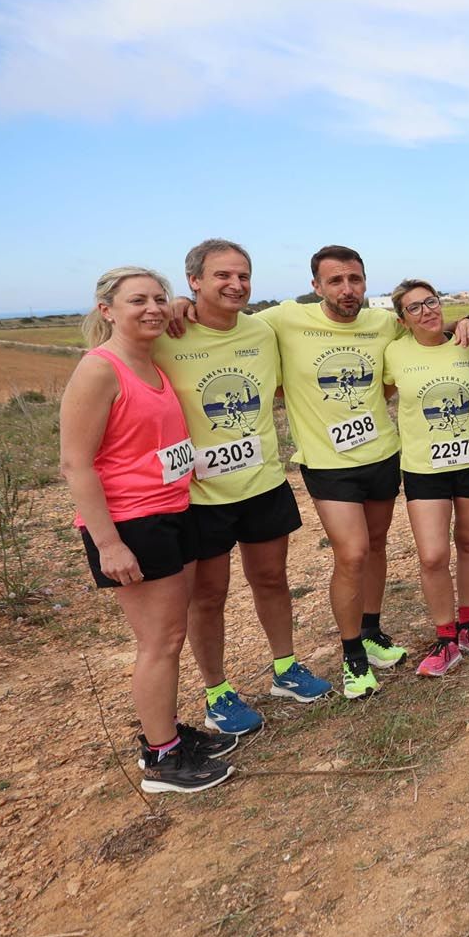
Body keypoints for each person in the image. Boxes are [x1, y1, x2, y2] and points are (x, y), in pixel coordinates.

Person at [59, 268, 232, 793]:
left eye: (160, 298)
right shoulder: (99, 370)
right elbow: (75, 464)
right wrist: (109, 544)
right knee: (161, 641)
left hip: (173, 509)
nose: (153, 307)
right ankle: (161, 759)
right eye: (138, 300)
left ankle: (169, 733)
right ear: (107, 309)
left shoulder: (150, 361)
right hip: (132, 523)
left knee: (170, 636)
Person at [158, 239, 331, 738]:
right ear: (193, 281)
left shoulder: (262, 330)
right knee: (208, 597)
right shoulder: (168, 334)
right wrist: (170, 307)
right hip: (199, 495)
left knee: (272, 580)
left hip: (262, 483)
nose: (236, 284)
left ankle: (286, 669)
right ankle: (217, 692)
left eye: (244, 275)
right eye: (222, 276)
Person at [263, 247, 409, 700]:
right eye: (336, 281)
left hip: (382, 452)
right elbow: (226, 323)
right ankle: (352, 655)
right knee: (352, 553)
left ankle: (371, 630)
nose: (348, 290)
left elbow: (405, 358)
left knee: (378, 545)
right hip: (328, 463)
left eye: (355, 280)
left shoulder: (383, 323)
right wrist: (181, 308)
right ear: (316, 286)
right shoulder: (284, 320)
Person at [385, 279, 469, 676]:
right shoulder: (394, 352)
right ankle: (445, 636)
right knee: (433, 556)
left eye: (431, 302)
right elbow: (382, 392)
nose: (426, 312)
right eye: (414, 308)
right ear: (402, 319)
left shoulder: (468, 343)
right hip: (423, 467)